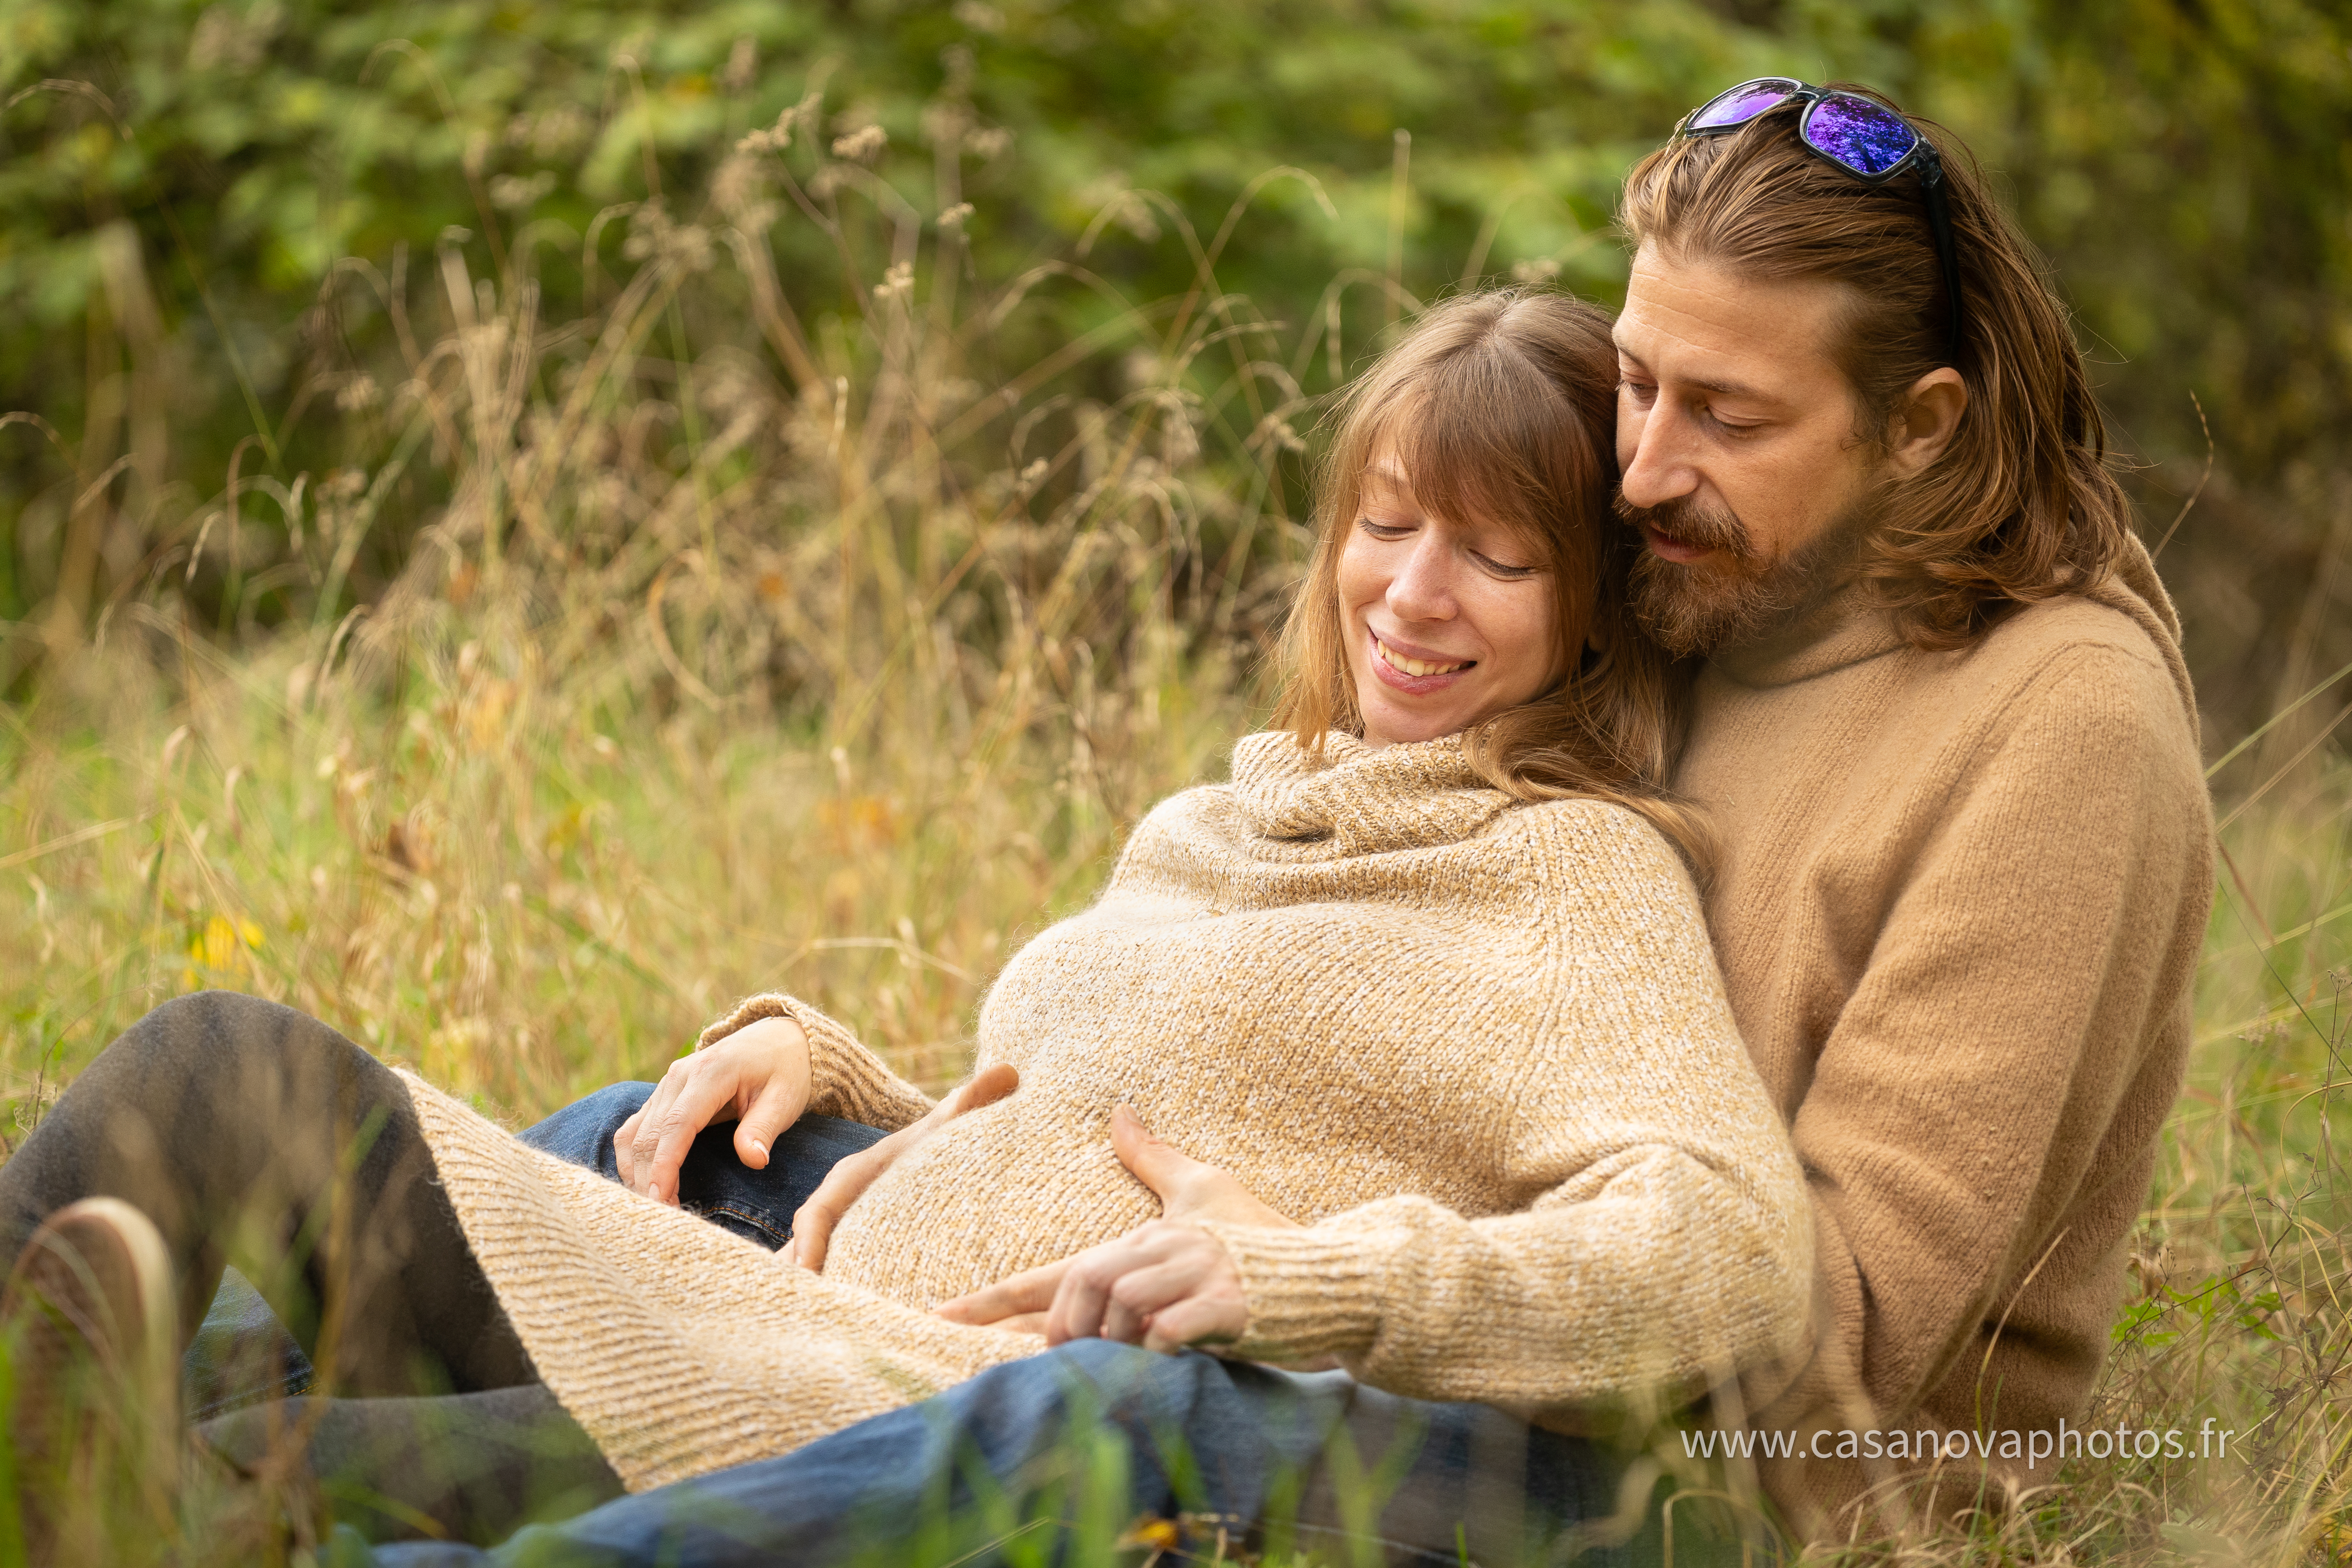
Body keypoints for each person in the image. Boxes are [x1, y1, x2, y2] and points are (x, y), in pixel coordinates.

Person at [411, 77, 2211, 1560]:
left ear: (1919, 427)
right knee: (658, 1141)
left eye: (1723, 413)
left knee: (1107, 1403)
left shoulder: (2060, 732)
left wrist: (1317, 1267)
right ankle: (182, 1377)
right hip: (1371, 1299)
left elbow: (1827, 1341)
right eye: (1641, 384)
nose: (1642, 465)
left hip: (1690, 1489)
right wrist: (924, 1127)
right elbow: (1381, 1008)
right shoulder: (1708, 586)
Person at [1, 288, 1814, 1565]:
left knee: (259, 1461)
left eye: (1494, 559)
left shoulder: (1568, 876)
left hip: (881, 1401)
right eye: (1386, 524)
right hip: (752, 1288)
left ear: (1588, 615)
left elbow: (1722, 1251)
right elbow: (1081, 1088)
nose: (1410, 597)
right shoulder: (1221, 814)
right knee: (219, 1069)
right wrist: (834, 1064)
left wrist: (1314, 1280)